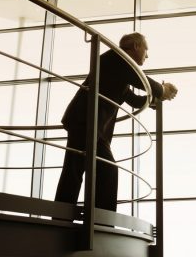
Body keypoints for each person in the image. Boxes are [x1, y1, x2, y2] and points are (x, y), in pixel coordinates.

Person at [55, 32, 177, 213]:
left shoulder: (119, 67)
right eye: (146, 49)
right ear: (136, 46)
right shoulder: (118, 58)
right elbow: (144, 82)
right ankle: (84, 217)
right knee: (87, 170)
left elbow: (134, 100)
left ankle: (79, 216)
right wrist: (162, 89)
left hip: (92, 126)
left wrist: (157, 99)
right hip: (86, 122)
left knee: (84, 170)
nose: (147, 55)